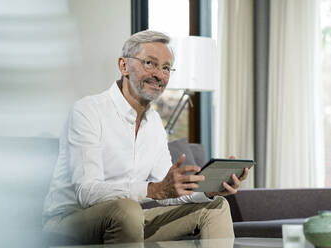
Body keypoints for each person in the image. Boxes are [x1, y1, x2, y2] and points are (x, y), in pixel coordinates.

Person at [42, 30, 249, 244]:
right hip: (67, 222)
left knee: (215, 207)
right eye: (150, 63)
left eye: (166, 68)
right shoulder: (87, 111)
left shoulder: (154, 125)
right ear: (124, 66)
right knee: (127, 209)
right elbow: (86, 193)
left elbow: (167, 190)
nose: (159, 75)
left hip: (129, 220)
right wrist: (152, 190)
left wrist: (208, 191)